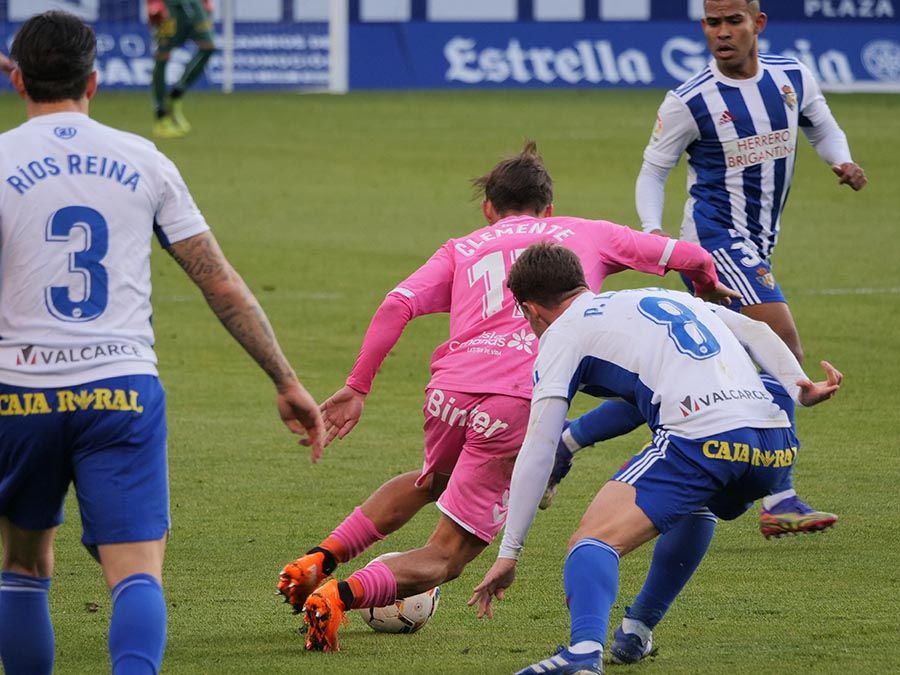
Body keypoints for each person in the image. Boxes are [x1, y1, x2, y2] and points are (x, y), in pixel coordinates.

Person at [276, 142, 738, 652]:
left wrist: (357, 386)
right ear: (549, 208)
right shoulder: (587, 233)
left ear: (488, 209)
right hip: (514, 399)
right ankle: (337, 597)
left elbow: (396, 304)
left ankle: (320, 557)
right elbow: (691, 256)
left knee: (433, 480)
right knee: (446, 556)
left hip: (448, 391)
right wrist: (705, 287)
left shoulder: (462, 247)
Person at [0, 12, 324, 675]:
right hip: (121, 389)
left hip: (21, 392)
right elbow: (221, 283)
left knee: (23, 567)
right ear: (94, 80)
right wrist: (285, 378)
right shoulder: (143, 159)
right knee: (135, 572)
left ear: (18, 80)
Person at [544, 0, 865, 537]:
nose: (723, 32)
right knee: (782, 344)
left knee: (690, 373)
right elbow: (654, 171)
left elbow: (822, 127)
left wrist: (841, 160)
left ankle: (568, 440)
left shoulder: (791, 78)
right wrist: (654, 233)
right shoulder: (690, 100)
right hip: (714, 244)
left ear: (757, 24)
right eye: (713, 23)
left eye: (733, 20)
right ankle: (779, 497)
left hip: (759, 243)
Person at [469, 243, 842, 675]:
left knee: (593, 541)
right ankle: (637, 631)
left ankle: (582, 653)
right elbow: (755, 330)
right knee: (694, 501)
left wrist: (509, 552)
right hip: (775, 443)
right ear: (580, 284)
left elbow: (538, 446)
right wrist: (799, 385)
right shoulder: (658, 297)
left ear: (531, 310)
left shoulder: (563, 334)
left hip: (704, 438)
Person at [147, 0, 216, 139]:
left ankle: (176, 94)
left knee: (208, 46)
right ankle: (161, 117)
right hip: (169, 6)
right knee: (162, 56)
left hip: (194, 4)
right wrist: (153, 3)